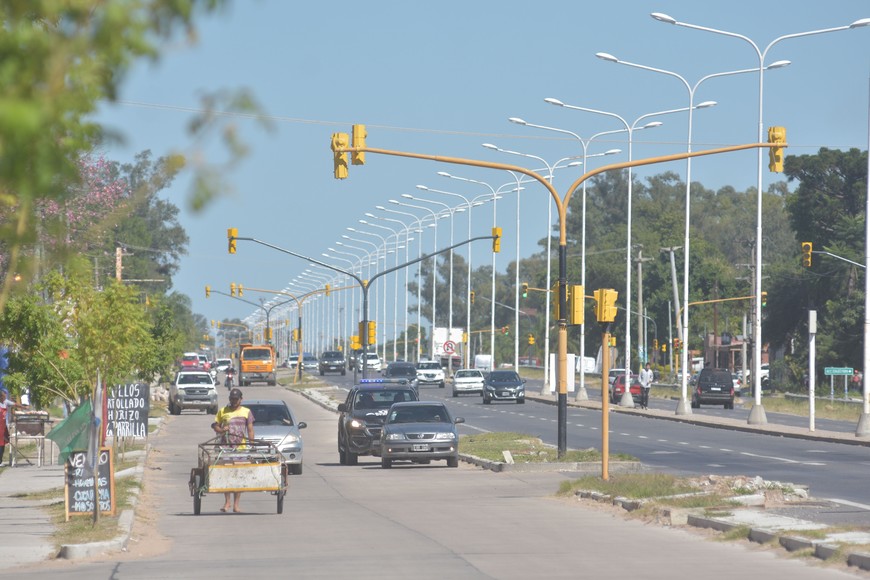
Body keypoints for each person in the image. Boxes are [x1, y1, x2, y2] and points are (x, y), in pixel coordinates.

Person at [211, 388, 254, 513]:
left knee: (239, 477)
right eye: (232, 399)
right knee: (226, 476)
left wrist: (252, 445)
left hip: (241, 449)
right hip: (225, 449)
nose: (234, 401)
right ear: (229, 399)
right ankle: (227, 502)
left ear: (241, 399)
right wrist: (221, 430)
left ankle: (236, 505)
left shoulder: (247, 412)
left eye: (236, 399)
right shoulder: (223, 411)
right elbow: (215, 426)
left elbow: (250, 430)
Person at [0, 388, 29, 467]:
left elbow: (15, 404)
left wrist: (24, 407)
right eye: (4, 395)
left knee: (2, 444)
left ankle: (0, 461)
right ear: (1, 397)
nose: (5, 396)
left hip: (3, 426)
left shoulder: (5, 402)